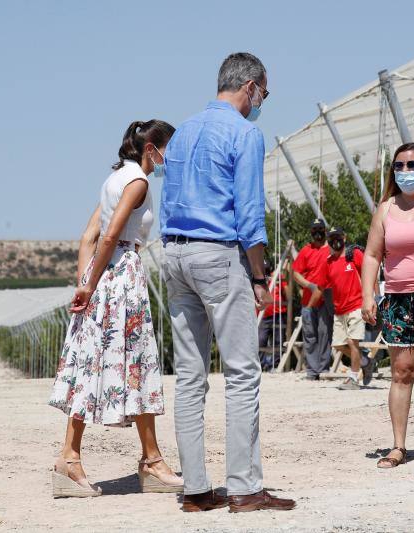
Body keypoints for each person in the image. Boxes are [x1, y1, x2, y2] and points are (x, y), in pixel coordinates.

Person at [161, 52, 294, 513]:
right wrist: (259, 275)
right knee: (241, 372)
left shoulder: (181, 132)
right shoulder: (244, 132)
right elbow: (249, 213)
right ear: (252, 86)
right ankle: (244, 486)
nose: (262, 101)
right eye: (265, 93)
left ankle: (196, 489)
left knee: (190, 375)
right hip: (217, 253)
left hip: (173, 253)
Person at [49, 120, 182, 498]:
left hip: (101, 274)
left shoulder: (113, 180)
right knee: (136, 362)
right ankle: (150, 462)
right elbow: (109, 236)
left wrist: (86, 281)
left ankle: (71, 459)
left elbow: (89, 236)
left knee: (90, 362)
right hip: (122, 272)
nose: (169, 157)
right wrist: (92, 284)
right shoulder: (138, 181)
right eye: (168, 148)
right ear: (152, 147)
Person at [361, 142, 414, 468]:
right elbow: (372, 254)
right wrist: (368, 295)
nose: (406, 172)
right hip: (397, 298)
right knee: (402, 371)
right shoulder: (385, 209)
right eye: (399, 166)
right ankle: (399, 446)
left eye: (413, 165)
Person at [313, 228, 367, 391]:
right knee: (338, 345)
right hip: (339, 310)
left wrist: (373, 298)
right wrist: (310, 306)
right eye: (332, 238)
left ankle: (353, 379)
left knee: (352, 342)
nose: (335, 241)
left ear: (344, 237)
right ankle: (365, 362)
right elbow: (320, 286)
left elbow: (368, 272)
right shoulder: (328, 262)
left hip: (356, 306)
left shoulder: (354, 255)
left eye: (337, 237)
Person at [292, 218, 334, 381]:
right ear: (311, 232)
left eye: (320, 229)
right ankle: (312, 370)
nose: (317, 233)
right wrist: (309, 286)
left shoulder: (331, 249)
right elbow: (295, 273)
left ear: (325, 230)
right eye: (314, 230)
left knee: (324, 334)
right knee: (310, 335)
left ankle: (323, 368)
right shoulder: (306, 250)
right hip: (308, 302)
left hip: (325, 300)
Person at [259, 260, 289, 371]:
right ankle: (261, 365)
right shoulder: (257, 277)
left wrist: (283, 277)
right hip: (262, 315)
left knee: (278, 341)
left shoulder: (277, 277)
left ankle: (275, 365)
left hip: (278, 313)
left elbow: (287, 293)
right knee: (261, 340)